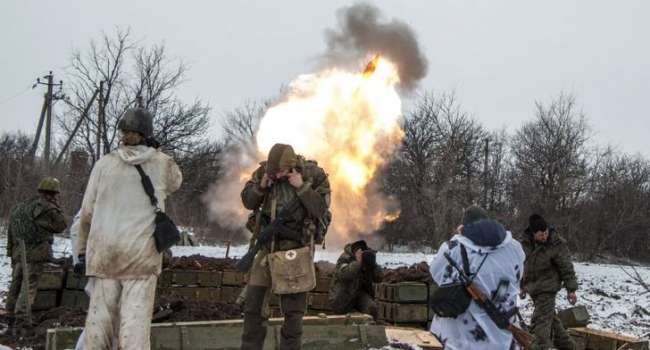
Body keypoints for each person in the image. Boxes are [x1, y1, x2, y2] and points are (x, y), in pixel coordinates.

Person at [74, 107, 182, 349]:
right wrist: (157, 151)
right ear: (147, 133)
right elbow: (176, 183)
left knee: (99, 322)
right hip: (140, 257)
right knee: (134, 325)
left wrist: (82, 252)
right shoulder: (163, 164)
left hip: (105, 254)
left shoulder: (104, 164)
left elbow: (87, 213)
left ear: (122, 133)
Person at [240, 143, 330, 350]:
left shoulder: (313, 175)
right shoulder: (264, 173)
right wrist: (261, 186)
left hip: (296, 251)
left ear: (291, 166)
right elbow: (247, 201)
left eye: (280, 172)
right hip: (266, 248)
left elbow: (320, 210)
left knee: (292, 314)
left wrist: (302, 187)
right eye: (274, 172)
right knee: (253, 306)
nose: (277, 176)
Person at [429, 206, 525, 350]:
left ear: (464, 226)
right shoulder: (515, 247)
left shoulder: (453, 247)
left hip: (461, 339)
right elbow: (515, 278)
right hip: (502, 338)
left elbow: (436, 273)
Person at [5, 177, 67, 316]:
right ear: (54, 193)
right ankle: (21, 316)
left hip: (18, 252)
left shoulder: (21, 206)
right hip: (36, 253)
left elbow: (11, 230)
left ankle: (9, 310)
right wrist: (57, 207)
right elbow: (61, 225)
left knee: (16, 282)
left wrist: (11, 252)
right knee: (29, 285)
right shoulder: (48, 207)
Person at [520, 214, 578, 350]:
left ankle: (539, 347)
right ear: (533, 234)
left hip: (548, 288)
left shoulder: (556, 244)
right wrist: (521, 286)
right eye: (540, 235)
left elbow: (566, 267)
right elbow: (522, 266)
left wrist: (571, 289)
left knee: (540, 325)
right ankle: (570, 347)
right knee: (551, 320)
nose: (544, 237)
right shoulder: (525, 244)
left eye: (545, 233)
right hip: (533, 288)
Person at [329, 239, 382, 319]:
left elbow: (379, 278)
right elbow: (345, 275)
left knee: (372, 309)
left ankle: (370, 329)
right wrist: (358, 262)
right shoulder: (345, 258)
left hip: (358, 295)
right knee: (348, 318)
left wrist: (373, 265)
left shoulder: (365, 260)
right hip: (342, 296)